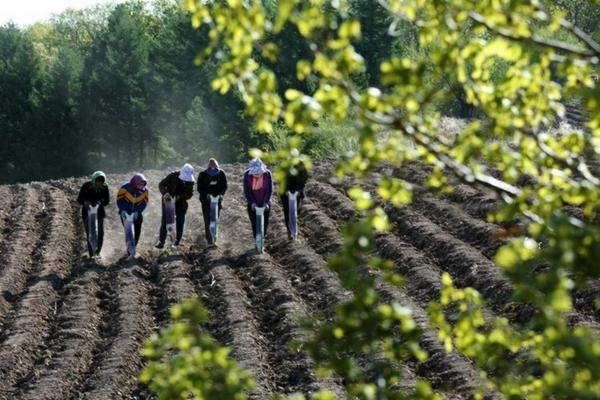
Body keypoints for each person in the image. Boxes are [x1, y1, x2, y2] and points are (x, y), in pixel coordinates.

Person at [155, 163, 195, 248]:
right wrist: (165, 193)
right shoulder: (173, 175)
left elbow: (190, 194)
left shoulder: (191, 182)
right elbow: (161, 184)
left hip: (180, 203)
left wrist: (179, 197)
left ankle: (176, 241)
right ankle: (161, 241)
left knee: (180, 221)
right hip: (168, 201)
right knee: (165, 221)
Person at [77, 171, 110, 257]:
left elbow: (107, 201)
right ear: (94, 179)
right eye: (97, 181)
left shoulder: (105, 187)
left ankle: (98, 252)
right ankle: (91, 254)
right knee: (90, 233)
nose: (99, 183)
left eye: (101, 181)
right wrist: (85, 202)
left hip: (99, 212)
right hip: (87, 212)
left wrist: (100, 203)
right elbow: (79, 199)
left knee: (100, 232)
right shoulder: (86, 186)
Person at [197, 158, 228, 246]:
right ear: (208, 168)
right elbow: (199, 188)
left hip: (217, 200)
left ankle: (215, 236)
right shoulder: (202, 175)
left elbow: (225, 186)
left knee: (215, 219)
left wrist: (221, 195)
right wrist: (206, 194)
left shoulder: (221, 173)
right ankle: (210, 241)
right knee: (207, 220)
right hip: (206, 201)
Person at [116, 173, 149, 252]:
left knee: (137, 231)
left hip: (136, 214)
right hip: (125, 213)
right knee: (129, 232)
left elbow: (144, 203)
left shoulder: (145, 191)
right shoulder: (125, 188)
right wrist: (122, 210)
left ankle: (133, 248)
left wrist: (138, 211)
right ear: (135, 182)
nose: (141, 185)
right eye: (140, 183)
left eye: (143, 184)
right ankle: (129, 249)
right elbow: (119, 200)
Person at [243, 158, 273, 241]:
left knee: (265, 223)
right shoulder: (247, 175)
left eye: (258, 173)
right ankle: (257, 241)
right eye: (254, 173)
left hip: (265, 202)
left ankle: (262, 240)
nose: (256, 174)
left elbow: (269, 190)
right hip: (253, 203)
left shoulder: (267, 174)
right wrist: (252, 203)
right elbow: (247, 191)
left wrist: (266, 202)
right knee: (254, 223)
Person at [280, 161, 309, 239]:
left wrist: (299, 191)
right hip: (286, 193)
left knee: (296, 211)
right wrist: (286, 191)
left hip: (297, 192)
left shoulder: (301, 165)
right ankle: (290, 232)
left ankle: (295, 230)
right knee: (287, 212)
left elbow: (304, 180)